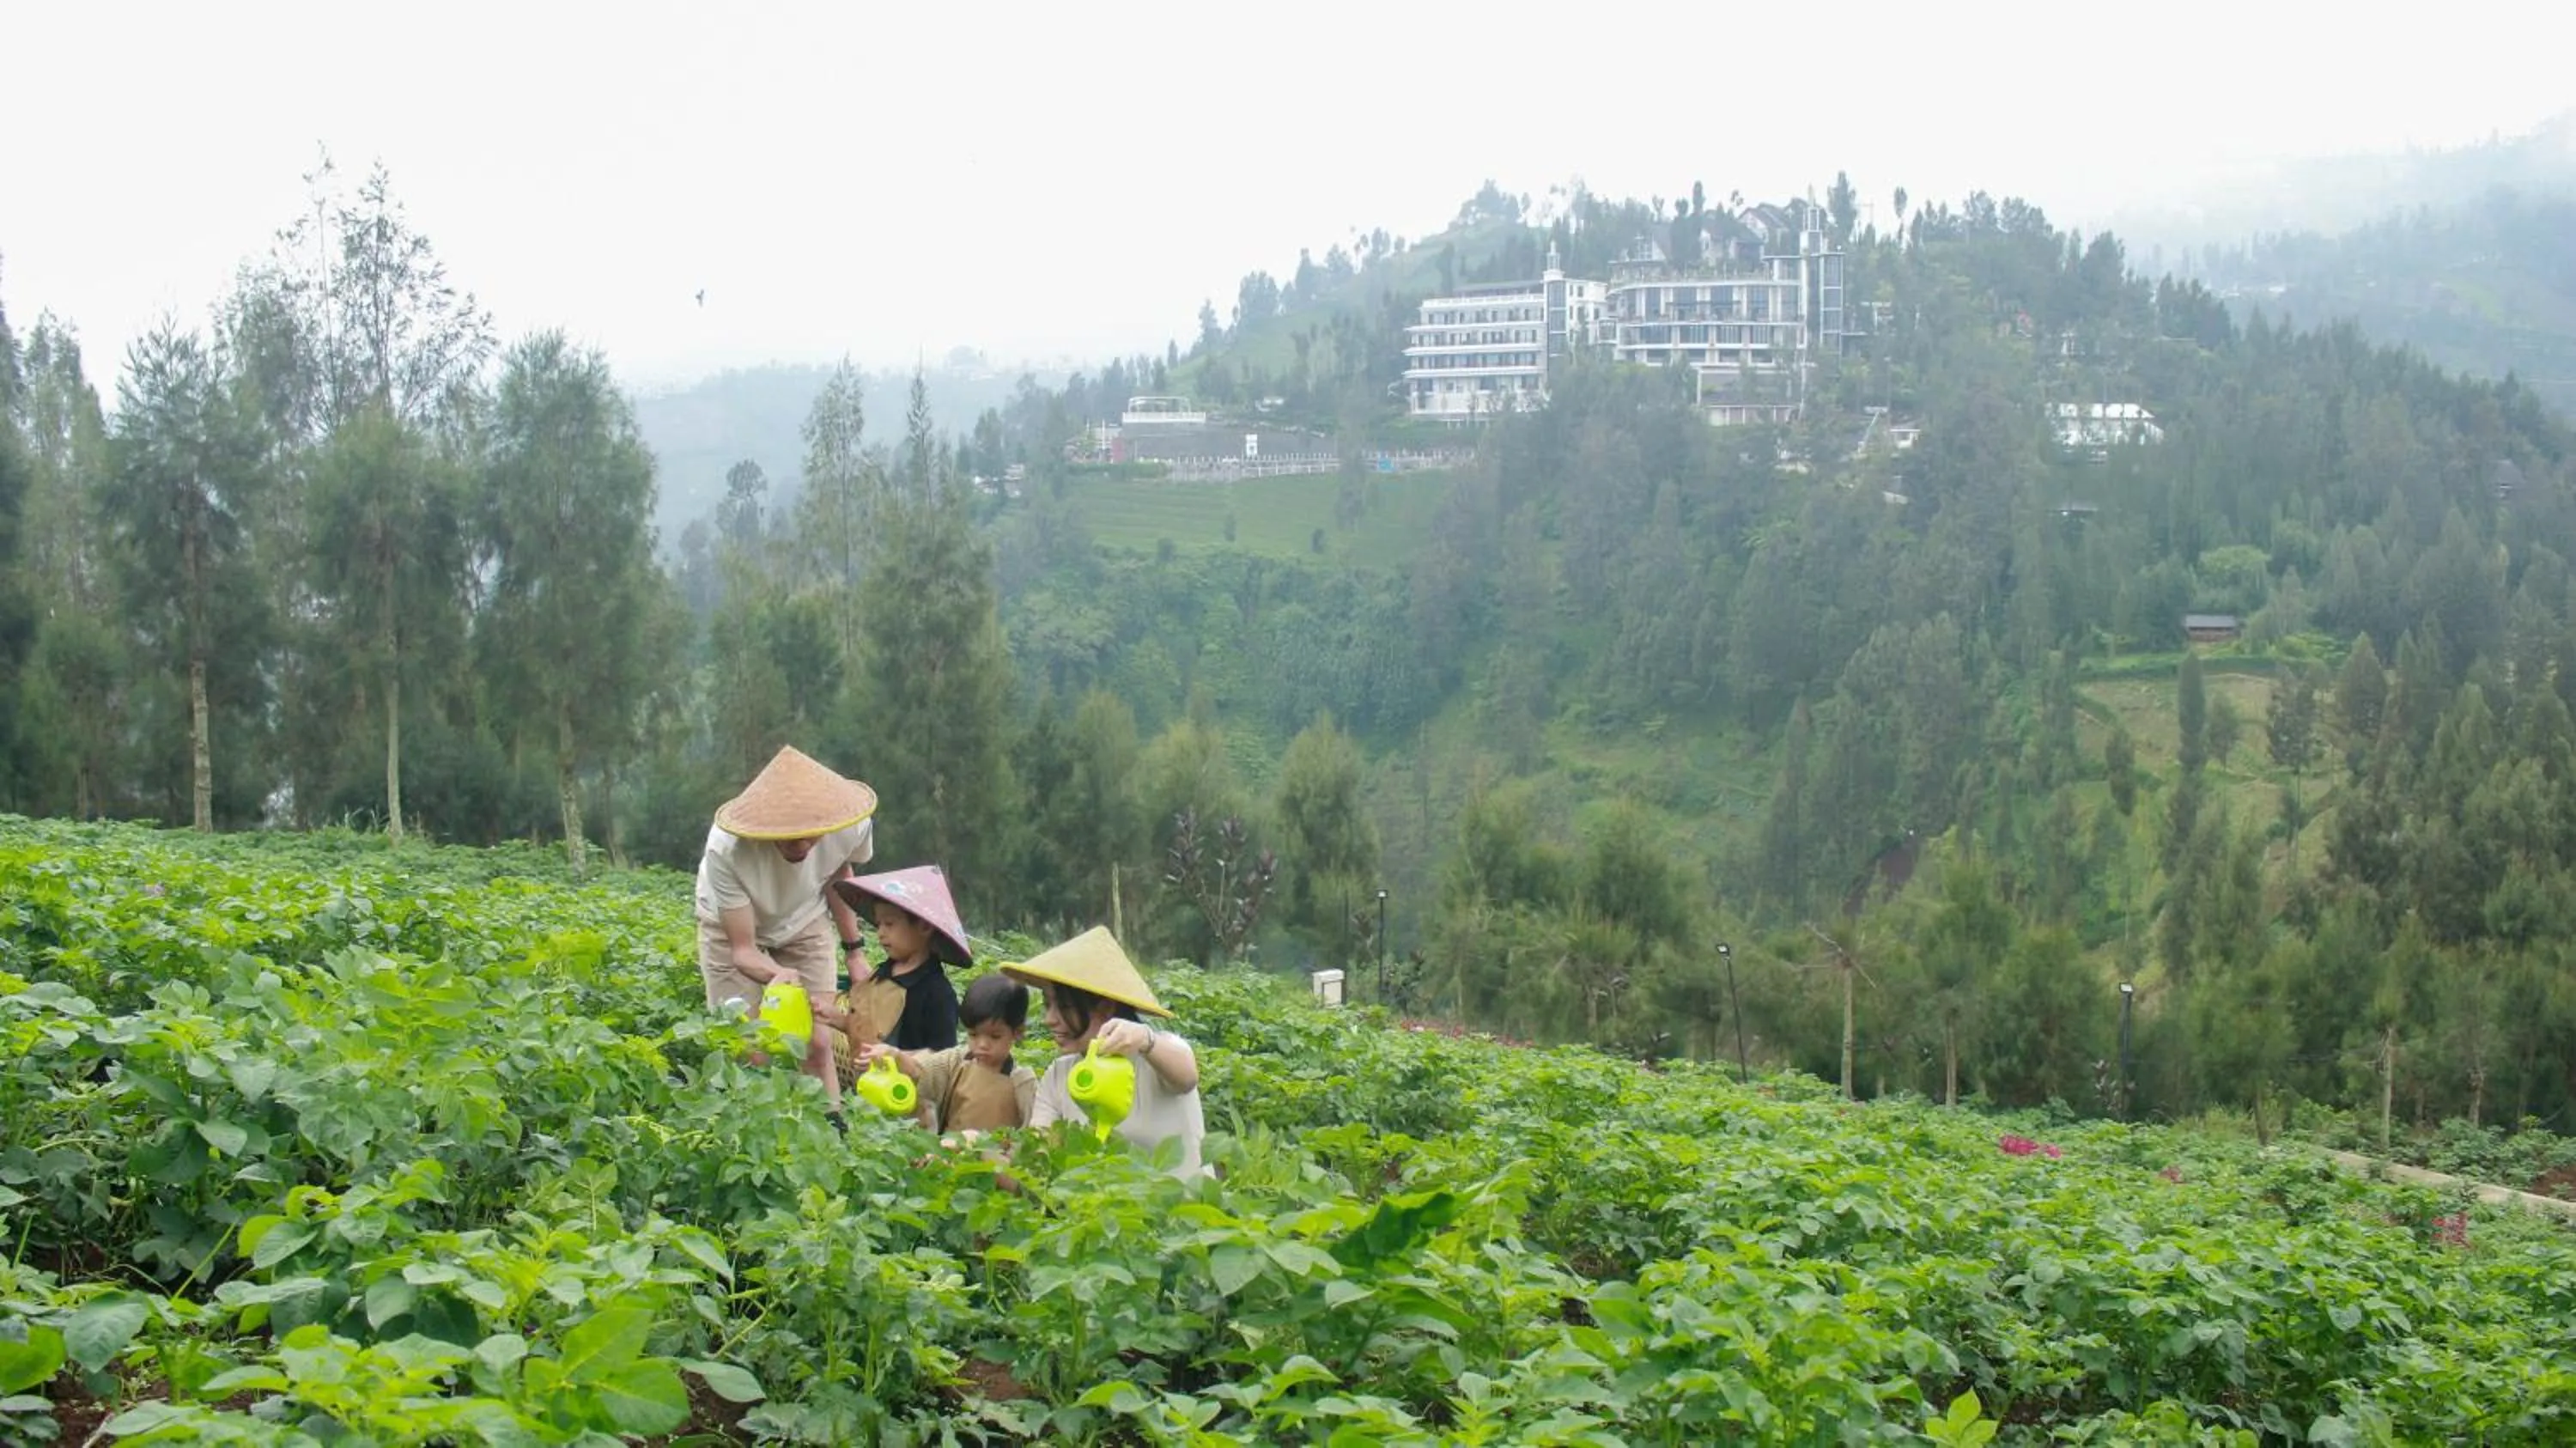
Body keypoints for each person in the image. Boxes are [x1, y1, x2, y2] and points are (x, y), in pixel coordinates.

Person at [694, 745, 878, 1118]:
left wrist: (855, 952)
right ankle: (750, 1129)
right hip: (730, 927)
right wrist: (777, 976)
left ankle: (831, 1132)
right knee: (748, 1047)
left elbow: (838, 875)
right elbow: (743, 950)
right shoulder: (727, 849)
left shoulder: (849, 824)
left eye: (812, 835)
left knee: (817, 1042)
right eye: (791, 836)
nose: (803, 846)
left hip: (805, 918)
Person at [1005, 927, 1209, 1178]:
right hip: (1103, 1203)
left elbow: (1187, 1076)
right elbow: (1039, 1153)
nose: (1050, 1019)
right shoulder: (1058, 1076)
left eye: (1065, 1006)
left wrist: (1146, 1039)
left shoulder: (1156, 1056)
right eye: (1048, 1005)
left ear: (1105, 1007)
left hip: (1181, 1202)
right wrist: (985, 1152)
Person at [856, 973, 1039, 1136]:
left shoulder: (1022, 1082)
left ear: (1017, 1032)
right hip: (948, 1156)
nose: (982, 1045)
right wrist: (896, 1057)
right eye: (973, 1035)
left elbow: (1033, 1134)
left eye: (995, 1036)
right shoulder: (956, 1061)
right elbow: (921, 1073)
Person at [829, 865, 970, 1060]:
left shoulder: (937, 993)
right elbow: (867, 1029)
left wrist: (896, 1057)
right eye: (879, 924)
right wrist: (836, 1019)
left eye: (889, 924)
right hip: (865, 1078)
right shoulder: (881, 974)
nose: (881, 933)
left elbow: (943, 1059)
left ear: (924, 927)